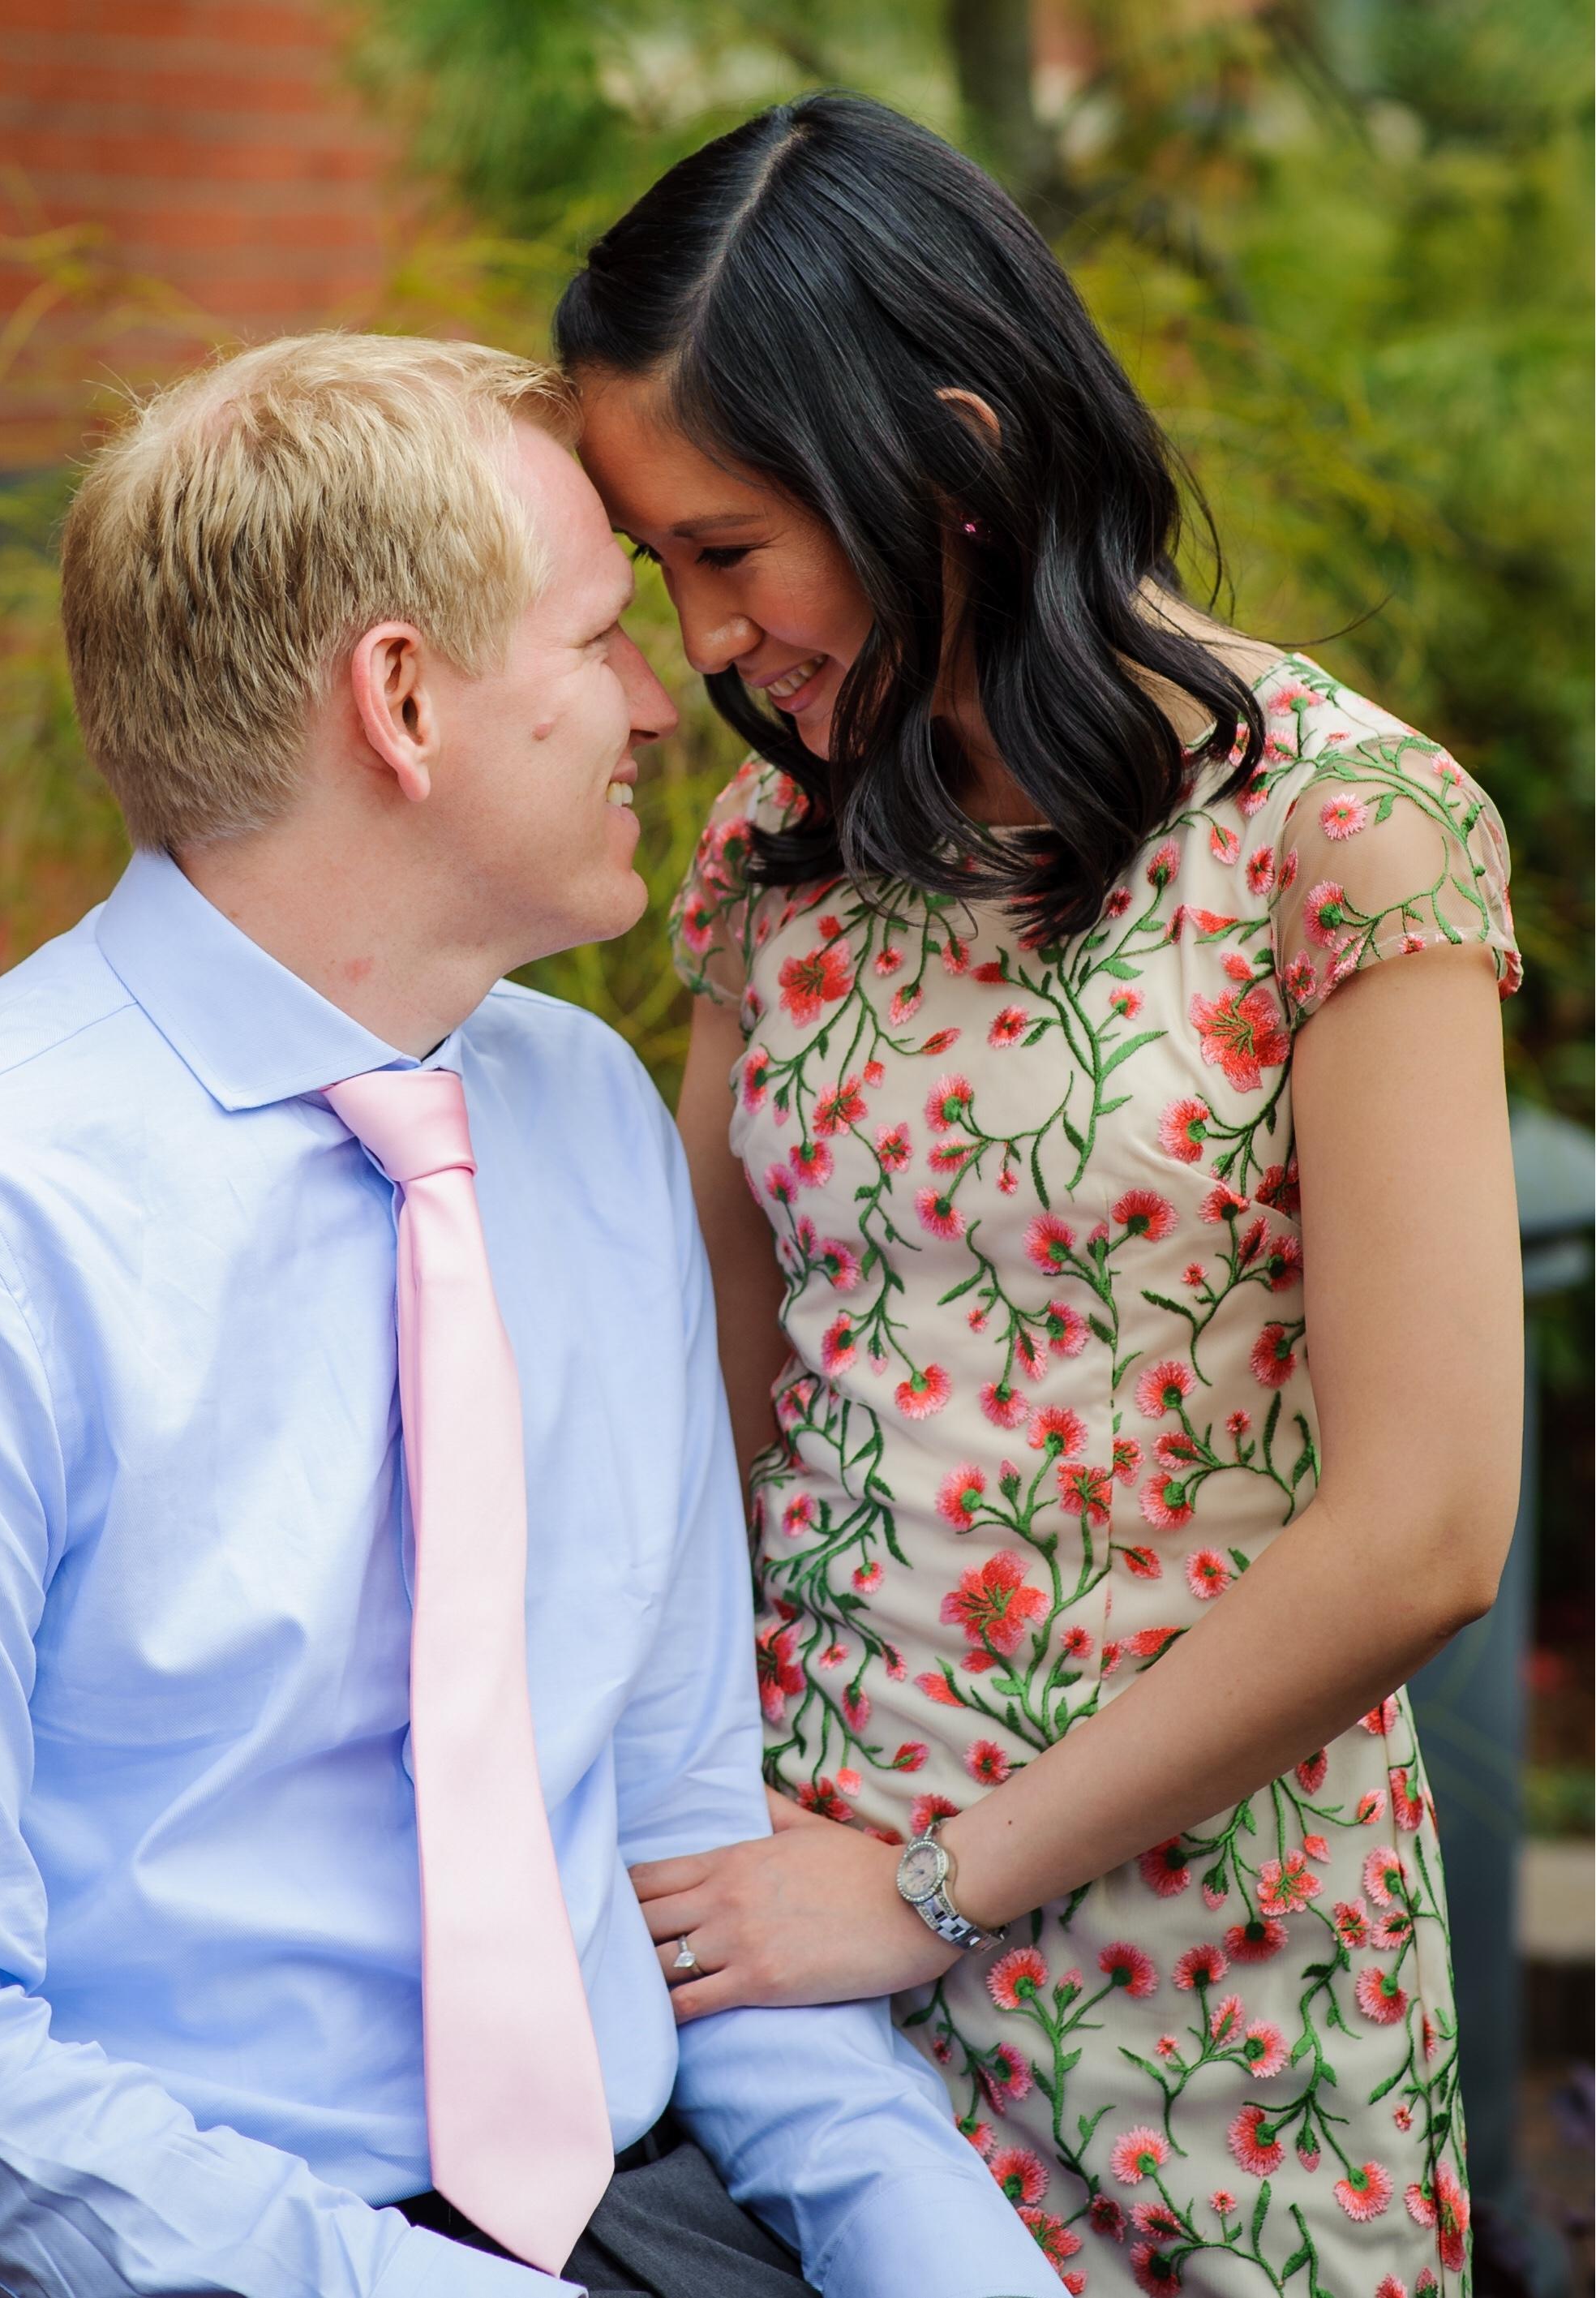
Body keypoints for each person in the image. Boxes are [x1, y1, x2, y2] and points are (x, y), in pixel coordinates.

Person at [0, 332, 1062, 2298]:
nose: (665, 702)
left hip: (649, 2208)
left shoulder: (580, 1118)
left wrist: (950, 2262)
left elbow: (677, 1855)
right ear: (400, 699)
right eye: (597, 638)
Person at [555, 96, 1521, 2298]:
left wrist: (933, 1885)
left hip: (1203, 1998)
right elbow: (706, 1415)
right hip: (795, 1975)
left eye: (728, 549)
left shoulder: (1340, 834)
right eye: (656, 570)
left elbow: (1426, 1527)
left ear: (955, 468)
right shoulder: (770, 858)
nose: (703, 642)